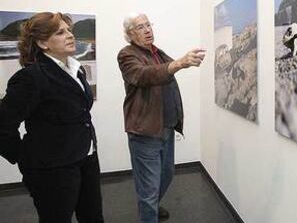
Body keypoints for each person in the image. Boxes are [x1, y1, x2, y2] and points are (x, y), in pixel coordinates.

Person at [0, 12, 104, 223]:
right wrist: (24, 157)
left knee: (93, 218)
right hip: (52, 170)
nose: (70, 35)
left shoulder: (77, 70)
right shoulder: (31, 77)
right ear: (42, 42)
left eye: (69, 30)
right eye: (60, 32)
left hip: (87, 158)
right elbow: (3, 125)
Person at [117, 13, 205, 223]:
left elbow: (166, 69)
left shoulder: (156, 52)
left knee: (166, 174)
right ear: (130, 33)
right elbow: (144, 75)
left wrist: (186, 60)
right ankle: (149, 212)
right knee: (148, 187)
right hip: (145, 131)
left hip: (165, 127)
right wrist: (179, 63)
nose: (147, 30)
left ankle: (152, 206)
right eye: (140, 27)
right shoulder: (127, 54)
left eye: (148, 25)